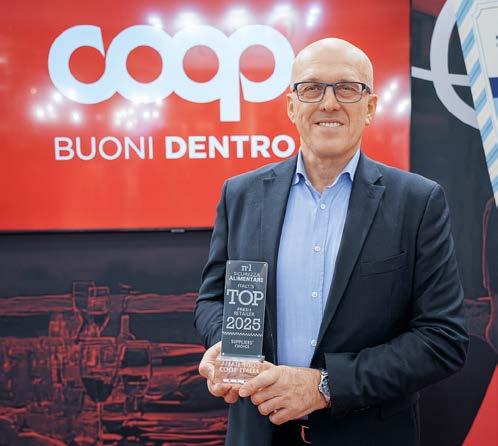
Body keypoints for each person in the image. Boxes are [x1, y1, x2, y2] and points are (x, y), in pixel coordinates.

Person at [194, 38, 468, 446]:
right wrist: (225, 346)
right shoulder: (242, 194)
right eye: (311, 88)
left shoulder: (418, 202)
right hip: (258, 432)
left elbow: (442, 339)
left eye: (347, 88)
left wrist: (325, 385)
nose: (329, 103)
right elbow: (212, 300)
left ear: (370, 107)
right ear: (292, 106)